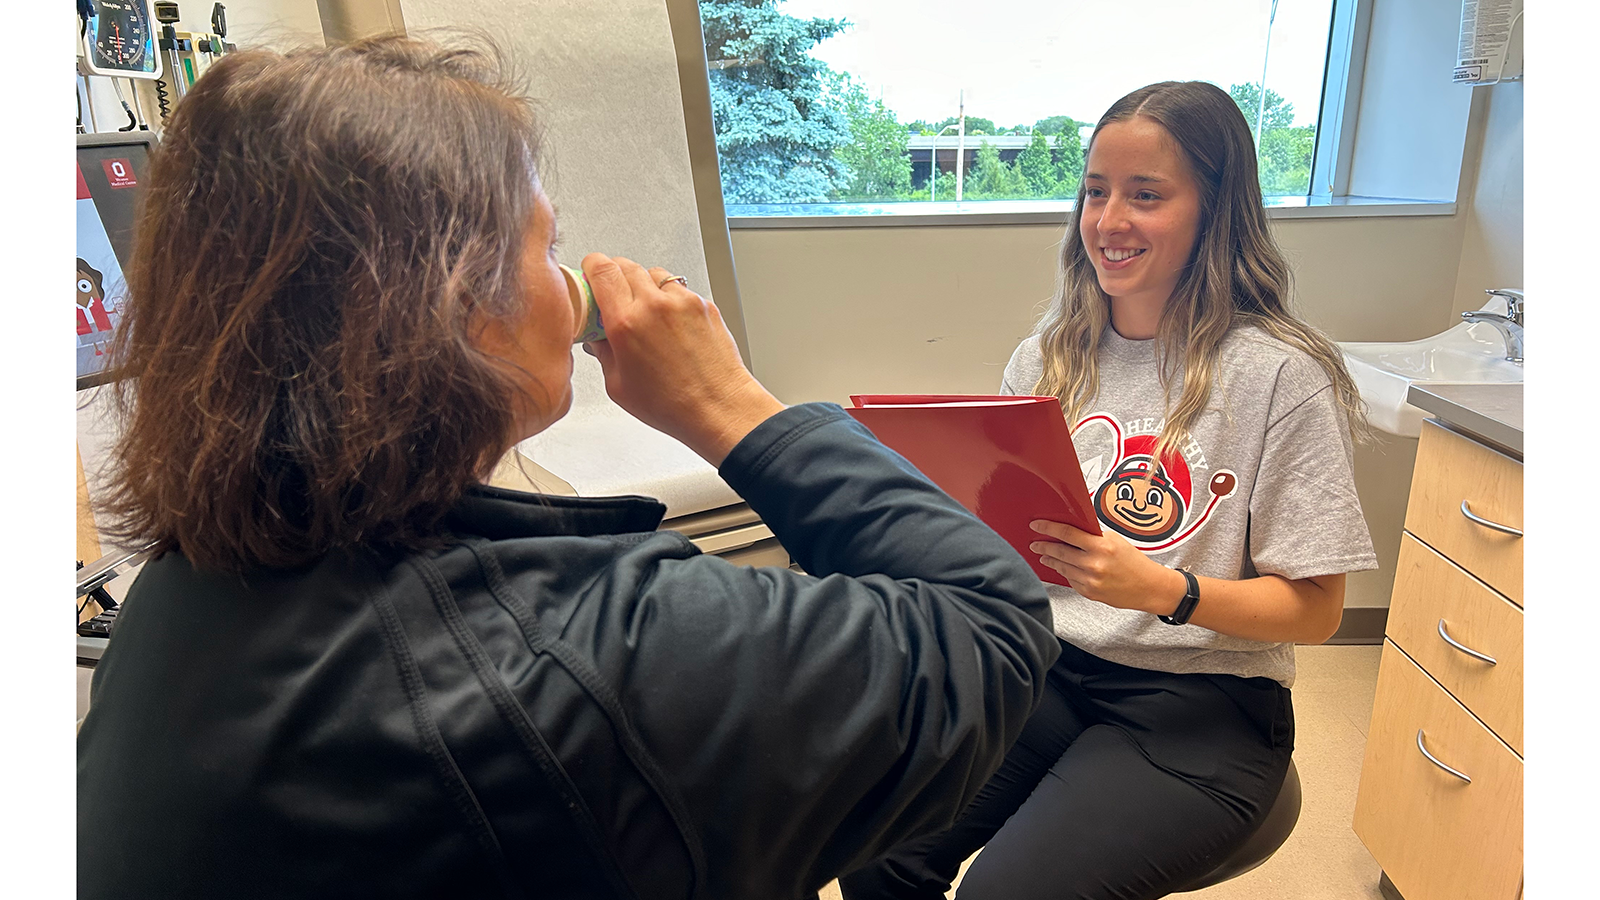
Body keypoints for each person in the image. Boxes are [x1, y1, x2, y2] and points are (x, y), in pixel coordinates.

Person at [75, 37, 1062, 900]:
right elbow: (989, 626)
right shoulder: (595, 658)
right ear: (460, 307)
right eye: (547, 248)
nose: (575, 284)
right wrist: (732, 407)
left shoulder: (180, 594)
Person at [840, 81, 1378, 900]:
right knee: (872, 841)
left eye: (1146, 195)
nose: (1108, 220)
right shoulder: (1047, 359)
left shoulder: (1279, 375)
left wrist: (1165, 591)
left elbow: (1318, 610)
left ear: (1215, 210)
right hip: (1047, 671)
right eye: (1096, 191)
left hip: (1206, 705)